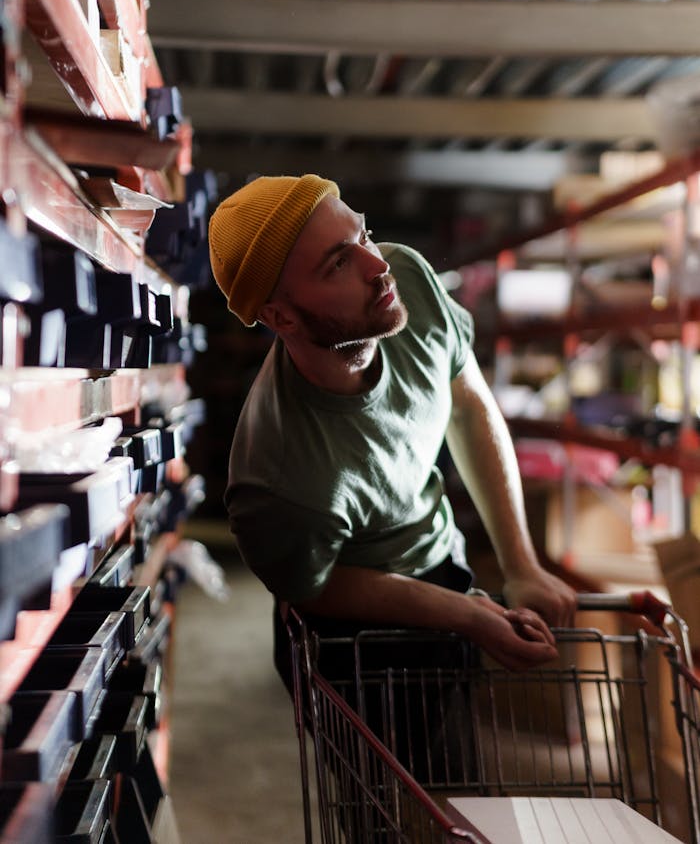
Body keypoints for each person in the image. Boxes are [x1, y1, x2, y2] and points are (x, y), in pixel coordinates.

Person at [208, 173, 577, 683]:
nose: (378, 266)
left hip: (446, 568)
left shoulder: (407, 279)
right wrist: (467, 614)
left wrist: (522, 567)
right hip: (353, 644)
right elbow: (314, 587)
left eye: (362, 235)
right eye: (339, 262)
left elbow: (467, 402)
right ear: (281, 317)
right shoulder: (278, 477)